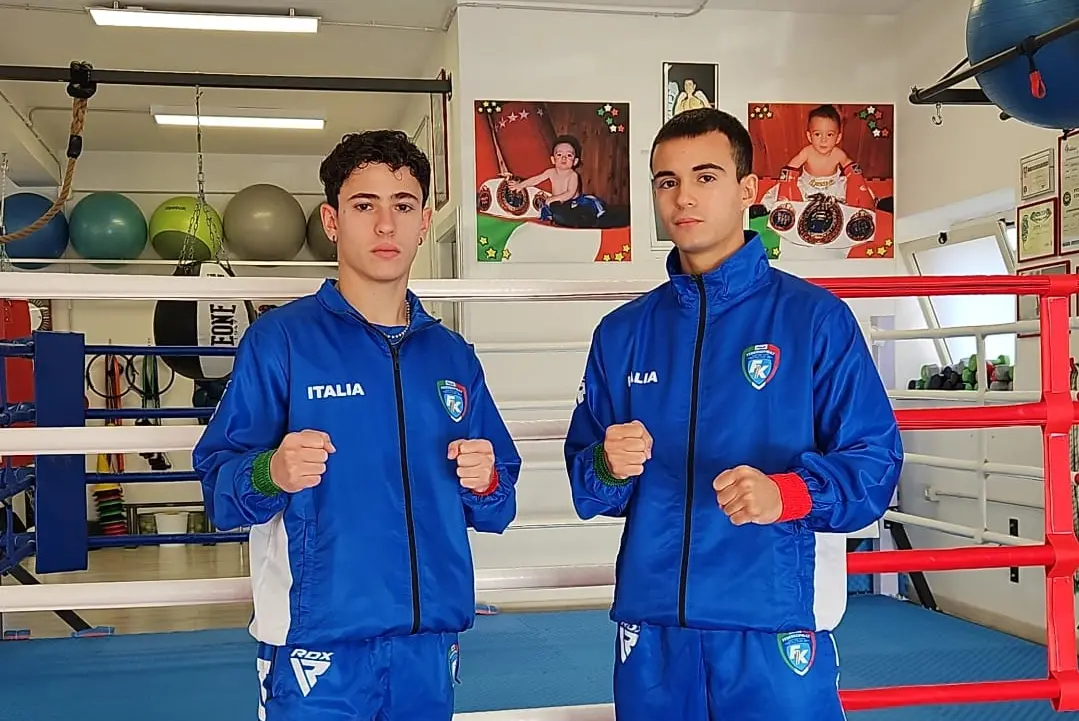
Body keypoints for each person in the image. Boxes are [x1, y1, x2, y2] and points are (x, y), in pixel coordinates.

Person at [563, 108, 902, 720]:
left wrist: (788, 494)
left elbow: (874, 463)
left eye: (706, 176)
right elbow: (588, 482)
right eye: (667, 181)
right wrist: (609, 466)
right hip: (655, 621)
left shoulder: (814, 319)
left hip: (772, 620)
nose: (684, 197)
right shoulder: (622, 333)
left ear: (747, 190)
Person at [193, 129, 522, 721]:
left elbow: (498, 504)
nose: (386, 225)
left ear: (424, 222)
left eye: (403, 206)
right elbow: (219, 488)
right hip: (316, 643)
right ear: (332, 221)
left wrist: (487, 480)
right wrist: (271, 472)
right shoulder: (280, 341)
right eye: (364, 205)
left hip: (426, 641)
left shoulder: (452, 357)